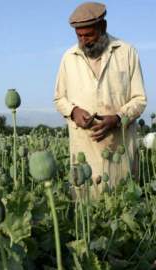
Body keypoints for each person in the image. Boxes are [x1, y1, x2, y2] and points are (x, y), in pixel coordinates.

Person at [54, 2, 147, 192]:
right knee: (87, 209)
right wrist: (74, 111)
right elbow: (59, 98)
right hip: (85, 147)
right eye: (79, 36)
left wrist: (118, 118)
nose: (84, 40)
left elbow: (139, 99)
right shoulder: (69, 57)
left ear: (103, 27)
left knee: (120, 204)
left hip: (119, 147)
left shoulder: (126, 52)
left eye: (89, 35)